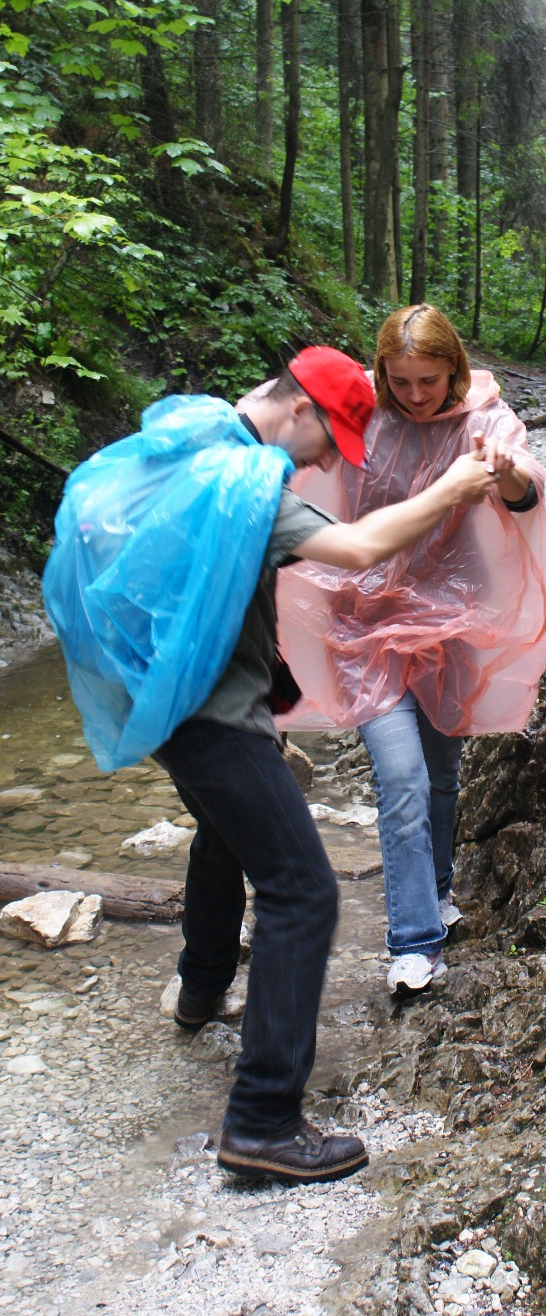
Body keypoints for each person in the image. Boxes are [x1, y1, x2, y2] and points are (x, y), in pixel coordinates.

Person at [52, 345, 498, 1187]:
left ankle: (199, 989)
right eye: (331, 438)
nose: (330, 459)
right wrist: (453, 488)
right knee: (304, 891)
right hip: (213, 719)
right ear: (299, 408)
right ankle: (263, 1118)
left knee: (226, 838)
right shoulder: (246, 484)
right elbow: (361, 547)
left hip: (167, 706)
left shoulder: (189, 442)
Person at [273, 309, 546, 996]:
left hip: (452, 621)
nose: (415, 394)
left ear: (453, 369)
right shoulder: (364, 415)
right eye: (400, 380)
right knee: (399, 776)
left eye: (428, 380)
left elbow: (528, 491)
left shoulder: (483, 417)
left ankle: (434, 893)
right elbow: (301, 464)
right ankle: (414, 941)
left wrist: (508, 474)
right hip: (365, 620)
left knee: (439, 775)